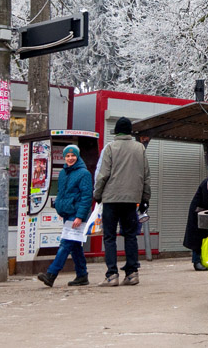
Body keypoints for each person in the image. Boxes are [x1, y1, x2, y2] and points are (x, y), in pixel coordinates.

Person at [93, 117, 151, 287]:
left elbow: (103, 174)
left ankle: (112, 275)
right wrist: (145, 198)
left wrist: (97, 194)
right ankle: (132, 273)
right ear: (130, 132)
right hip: (132, 200)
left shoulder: (110, 148)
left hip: (111, 199)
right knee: (130, 236)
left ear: (116, 132)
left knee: (110, 237)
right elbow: (146, 176)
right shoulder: (139, 148)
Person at [36, 144, 93, 288]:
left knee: (65, 244)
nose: (70, 158)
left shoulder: (84, 173)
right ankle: (82, 276)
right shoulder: (63, 173)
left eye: (73, 155)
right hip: (67, 214)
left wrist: (80, 216)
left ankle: (51, 274)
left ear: (78, 156)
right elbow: (61, 193)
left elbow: (86, 197)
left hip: (76, 215)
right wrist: (61, 210)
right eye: (67, 156)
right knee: (75, 246)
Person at [182, 178, 208, 271]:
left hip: (201, 211)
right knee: (197, 239)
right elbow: (207, 200)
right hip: (198, 212)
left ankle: (201, 260)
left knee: (201, 238)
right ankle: (196, 261)